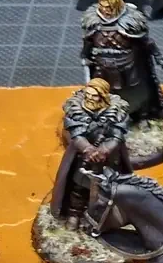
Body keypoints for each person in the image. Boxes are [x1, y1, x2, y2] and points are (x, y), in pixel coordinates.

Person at [80, 0, 163, 124]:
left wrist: (159, 57)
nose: (105, 10)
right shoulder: (93, 23)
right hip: (103, 67)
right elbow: (88, 43)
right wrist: (85, 57)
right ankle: (113, 118)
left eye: (108, 7)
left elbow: (146, 42)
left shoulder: (130, 23)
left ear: (116, 5)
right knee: (107, 93)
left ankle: (142, 116)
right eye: (102, 6)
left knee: (137, 91)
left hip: (129, 66)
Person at [51, 79, 130, 219]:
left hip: (108, 157)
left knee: (110, 187)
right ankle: (74, 213)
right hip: (83, 156)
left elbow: (117, 136)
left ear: (103, 96)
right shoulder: (76, 110)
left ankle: (105, 215)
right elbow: (77, 135)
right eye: (87, 94)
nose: (89, 98)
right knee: (78, 186)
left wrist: (104, 150)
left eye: (94, 96)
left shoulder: (116, 111)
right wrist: (88, 149)